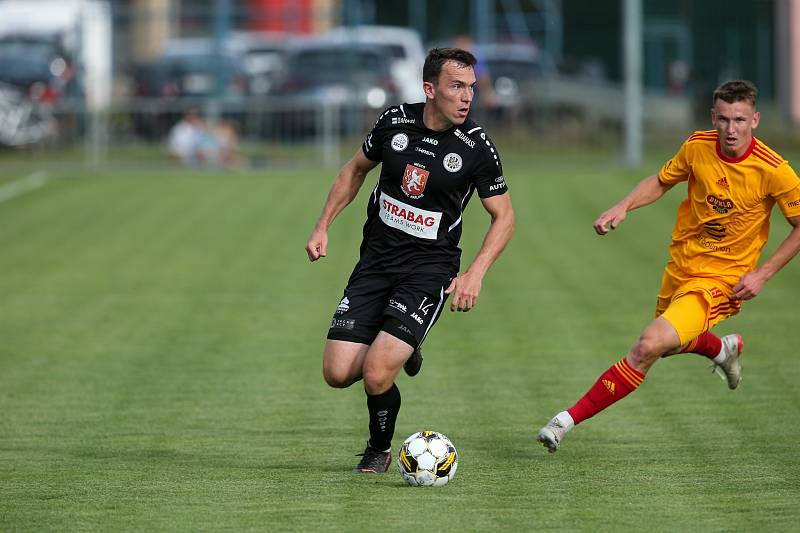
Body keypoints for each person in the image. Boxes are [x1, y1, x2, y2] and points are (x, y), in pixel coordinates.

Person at [537, 79, 800, 453]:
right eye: (723, 119)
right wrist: (623, 206)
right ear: (713, 116)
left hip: (723, 280)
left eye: (739, 120)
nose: (730, 129)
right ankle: (722, 351)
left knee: (647, 346)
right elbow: (661, 181)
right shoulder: (697, 146)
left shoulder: (775, 170)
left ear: (755, 119)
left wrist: (763, 273)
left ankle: (563, 422)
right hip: (681, 266)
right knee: (667, 344)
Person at [306, 47, 514, 472]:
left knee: (378, 373)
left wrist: (476, 273)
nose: (466, 97)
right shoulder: (394, 122)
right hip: (375, 263)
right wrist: (322, 225)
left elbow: (504, 217)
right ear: (429, 89)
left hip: (429, 270)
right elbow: (354, 171)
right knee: (337, 372)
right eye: (457, 87)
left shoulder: (475, 146)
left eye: (471, 88)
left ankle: (378, 449)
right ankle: (404, 345)